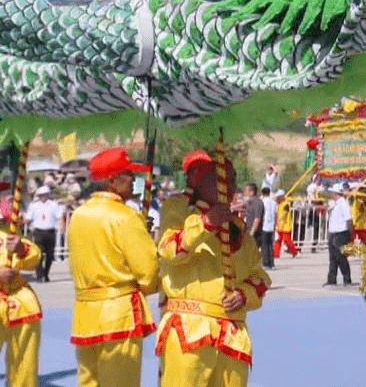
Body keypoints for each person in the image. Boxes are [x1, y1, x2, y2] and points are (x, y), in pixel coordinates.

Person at [156, 152, 270, 387]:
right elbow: (169, 250)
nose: (230, 185)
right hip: (190, 330)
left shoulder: (239, 230)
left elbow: (260, 279)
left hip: (232, 336)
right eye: (221, 178)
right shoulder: (179, 211)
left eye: (233, 178)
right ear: (197, 181)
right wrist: (207, 223)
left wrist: (243, 294)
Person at [67, 148, 159, 387]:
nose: (134, 182)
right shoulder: (125, 217)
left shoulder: (77, 215)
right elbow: (148, 274)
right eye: (129, 176)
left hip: (85, 314)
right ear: (112, 181)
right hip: (119, 314)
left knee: (89, 382)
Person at [0, 221, 43, 387]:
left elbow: (34, 260)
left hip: (20, 303)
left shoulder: (10, 229)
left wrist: (21, 248)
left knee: (24, 365)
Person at [24, 185, 60, 282]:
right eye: (39, 195)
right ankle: (40, 275)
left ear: (47, 195)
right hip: (38, 231)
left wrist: (62, 227)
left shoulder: (54, 205)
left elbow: (59, 217)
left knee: (50, 255)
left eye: (43, 195)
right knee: (39, 254)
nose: (41, 197)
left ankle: (46, 273)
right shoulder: (34, 205)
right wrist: (22, 222)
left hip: (50, 231)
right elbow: (28, 218)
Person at [324, 183, 353, 287]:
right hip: (332, 232)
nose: (331, 194)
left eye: (332, 192)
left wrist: (350, 234)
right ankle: (331, 279)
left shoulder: (343, 204)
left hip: (340, 233)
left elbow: (349, 219)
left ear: (336, 193)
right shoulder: (334, 204)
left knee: (341, 257)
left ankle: (347, 278)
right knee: (332, 258)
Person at [273, 193, 299, 259]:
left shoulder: (285, 204)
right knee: (278, 240)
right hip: (279, 226)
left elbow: (283, 215)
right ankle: (276, 253)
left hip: (285, 226)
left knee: (287, 241)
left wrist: (279, 220)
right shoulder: (280, 204)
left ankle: (294, 251)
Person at [259, 187, 277, 270]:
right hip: (271, 225)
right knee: (270, 245)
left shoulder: (262, 202)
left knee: (264, 246)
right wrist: (275, 225)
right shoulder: (273, 203)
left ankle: (266, 263)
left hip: (264, 226)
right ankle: (271, 262)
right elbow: (275, 214)